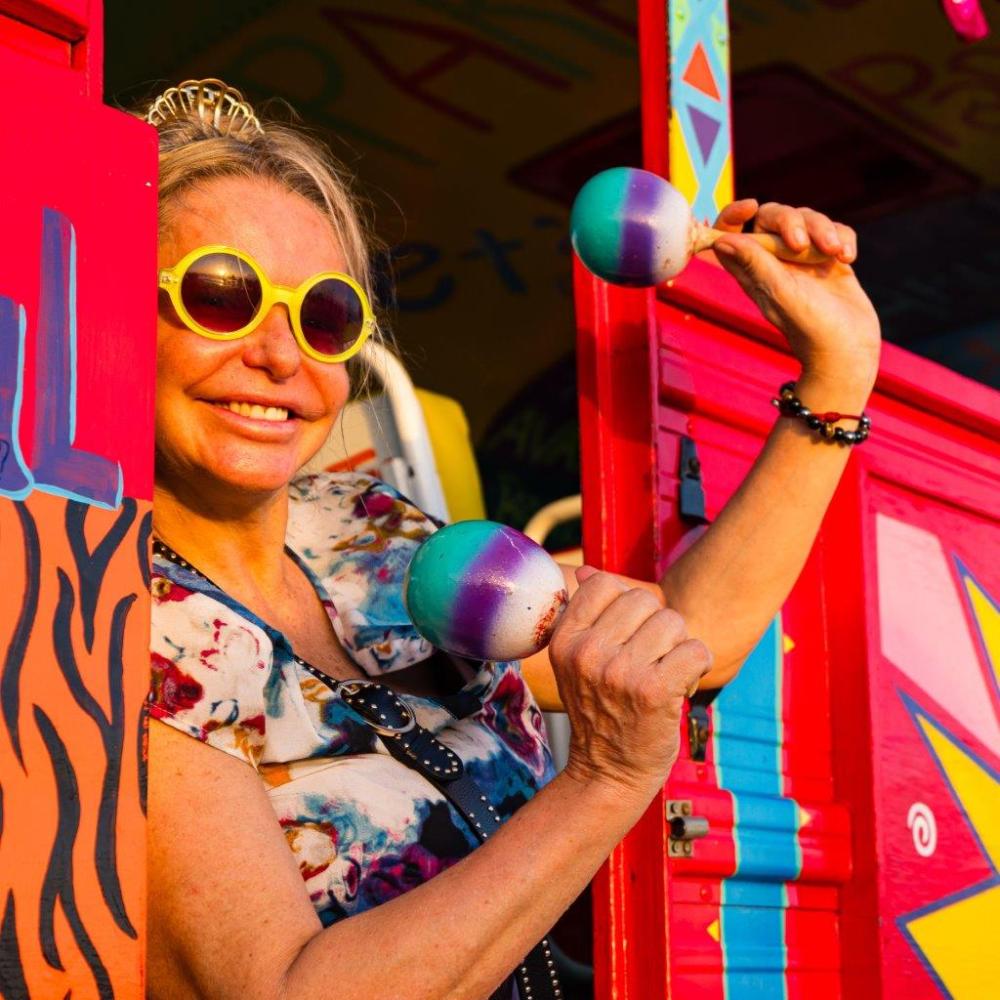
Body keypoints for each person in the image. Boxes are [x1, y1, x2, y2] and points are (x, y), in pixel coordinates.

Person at [144, 80, 880, 1000]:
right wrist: (605, 778)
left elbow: (682, 638)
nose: (283, 358)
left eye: (325, 316)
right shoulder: (107, 619)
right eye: (222, 296)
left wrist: (838, 375)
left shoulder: (363, 533)